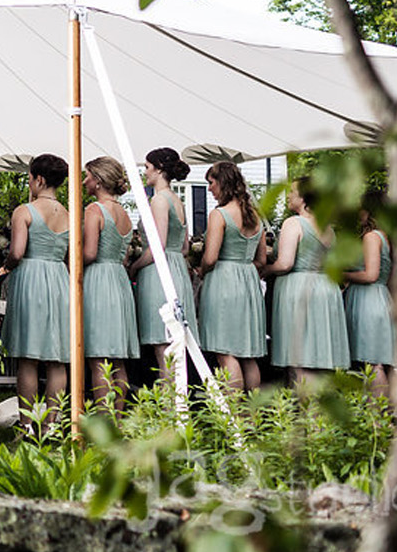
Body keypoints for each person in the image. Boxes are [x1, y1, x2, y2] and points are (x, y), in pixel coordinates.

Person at [0, 153, 71, 409]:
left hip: (31, 281)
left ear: (39, 179)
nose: (29, 183)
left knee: (28, 359)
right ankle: (52, 425)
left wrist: (4, 267)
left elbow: (17, 252)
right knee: (57, 359)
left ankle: (27, 426)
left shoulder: (24, 211)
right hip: (59, 281)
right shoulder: (68, 214)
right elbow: (70, 257)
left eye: (30, 178)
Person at [267, 178, 350, 389]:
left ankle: (307, 416)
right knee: (318, 355)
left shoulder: (293, 223)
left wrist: (265, 269)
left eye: (292, 191)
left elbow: (285, 263)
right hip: (325, 289)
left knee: (301, 356)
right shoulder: (329, 229)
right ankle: (320, 413)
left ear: (304, 198)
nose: (288, 195)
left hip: (299, 289)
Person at [197, 160, 268, 392]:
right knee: (248, 355)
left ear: (222, 183)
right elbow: (262, 261)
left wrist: (200, 271)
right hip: (249, 282)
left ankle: (233, 417)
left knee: (226, 353)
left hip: (223, 282)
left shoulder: (220, 215)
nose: (209, 189)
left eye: (211, 183)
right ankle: (251, 417)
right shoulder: (255, 216)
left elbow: (210, 258)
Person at [130, 148, 199, 376]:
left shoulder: (159, 200)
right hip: (178, 267)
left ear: (159, 169)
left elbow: (158, 246)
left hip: (160, 274)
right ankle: (178, 405)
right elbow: (184, 247)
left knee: (164, 347)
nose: (145, 173)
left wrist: (135, 266)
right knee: (175, 348)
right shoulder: (177, 200)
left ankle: (170, 407)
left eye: (148, 168)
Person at [81, 156, 138, 409]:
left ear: (99, 181)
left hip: (99, 282)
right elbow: (125, 256)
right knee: (117, 360)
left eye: (88, 176)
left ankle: (104, 419)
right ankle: (118, 417)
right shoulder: (125, 214)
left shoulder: (94, 210)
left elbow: (90, 253)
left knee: (99, 358)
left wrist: (71, 260)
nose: (84, 181)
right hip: (119, 281)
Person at [344, 191, 397, 399]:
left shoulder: (371, 236)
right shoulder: (386, 235)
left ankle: (377, 419)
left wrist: (342, 273)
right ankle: (387, 414)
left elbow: (370, 274)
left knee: (374, 363)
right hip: (382, 298)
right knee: (384, 363)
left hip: (368, 302)